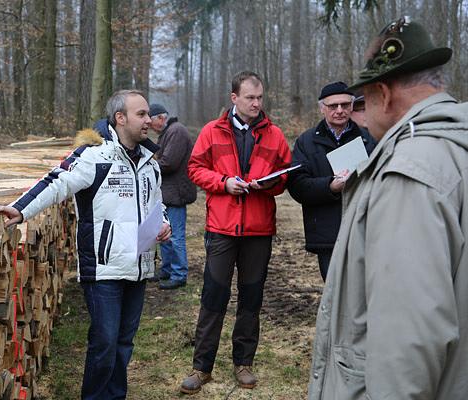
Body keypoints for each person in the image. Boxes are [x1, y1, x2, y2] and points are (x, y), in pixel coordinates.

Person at [309, 17, 468, 399]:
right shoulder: (457, 148)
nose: (359, 113)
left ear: (383, 93)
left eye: (362, 100)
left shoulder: (408, 173)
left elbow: (408, 341)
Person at [0, 89, 171, 400]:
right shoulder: (95, 156)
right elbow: (56, 182)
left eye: (148, 114)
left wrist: (163, 222)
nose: (148, 120)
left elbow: (157, 203)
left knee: (124, 343)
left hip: (139, 265)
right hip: (103, 268)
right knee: (105, 343)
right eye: (141, 114)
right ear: (120, 118)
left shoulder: (149, 163)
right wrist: (20, 209)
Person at [180, 71, 292, 394]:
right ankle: (202, 368)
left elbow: (286, 175)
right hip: (222, 228)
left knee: (251, 298)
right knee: (213, 297)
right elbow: (195, 169)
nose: (256, 103)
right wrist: (223, 183)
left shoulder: (275, 135)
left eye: (260, 98)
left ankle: (244, 363)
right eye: (250, 98)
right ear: (234, 98)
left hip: (259, 230)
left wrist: (269, 184)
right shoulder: (211, 131)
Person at [287, 82, 376, 281]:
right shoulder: (306, 142)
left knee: (365, 288)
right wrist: (330, 187)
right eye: (333, 106)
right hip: (326, 233)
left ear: (352, 107)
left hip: (364, 230)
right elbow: (297, 185)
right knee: (334, 289)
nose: (340, 110)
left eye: (345, 105)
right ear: (322, 108)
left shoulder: (369, 139)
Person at [148, 103, 197, 290]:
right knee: (164, 235)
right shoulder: (168, 133)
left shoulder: (176, 131)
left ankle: (179, 274)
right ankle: (167, 270)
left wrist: (148, 166)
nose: (150, 126)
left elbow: (169, 163)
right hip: (168, 193)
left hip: (177, 193)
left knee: (175, 236)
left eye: (152, 122)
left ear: (161, 118)